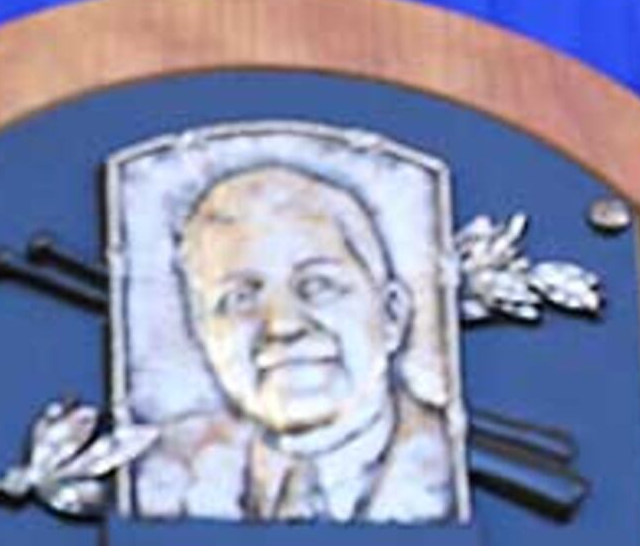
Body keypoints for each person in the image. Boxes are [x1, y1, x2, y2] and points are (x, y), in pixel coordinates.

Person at [132, 162, 459, 523]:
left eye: (317, 285)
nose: (282, 325)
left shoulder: (463, 465)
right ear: (202, 332)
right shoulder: (152, 474)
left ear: (392, 314)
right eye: (240, 297)